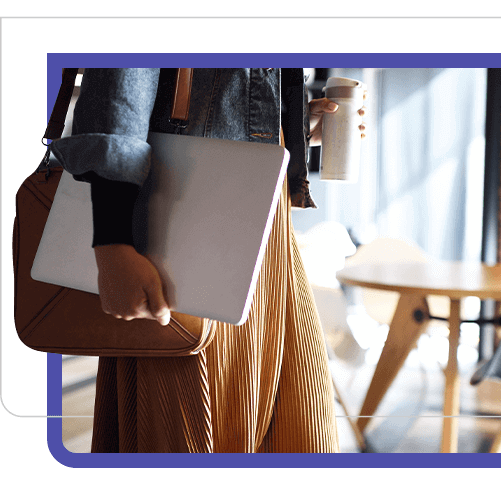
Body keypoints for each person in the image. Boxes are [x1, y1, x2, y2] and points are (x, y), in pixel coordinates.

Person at [51, 68, 367, 453]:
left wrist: (297, 123)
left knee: (295, 429)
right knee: (190, 428)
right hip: (188, 218)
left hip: (266, 224)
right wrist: (114, 241)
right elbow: (121, 85)